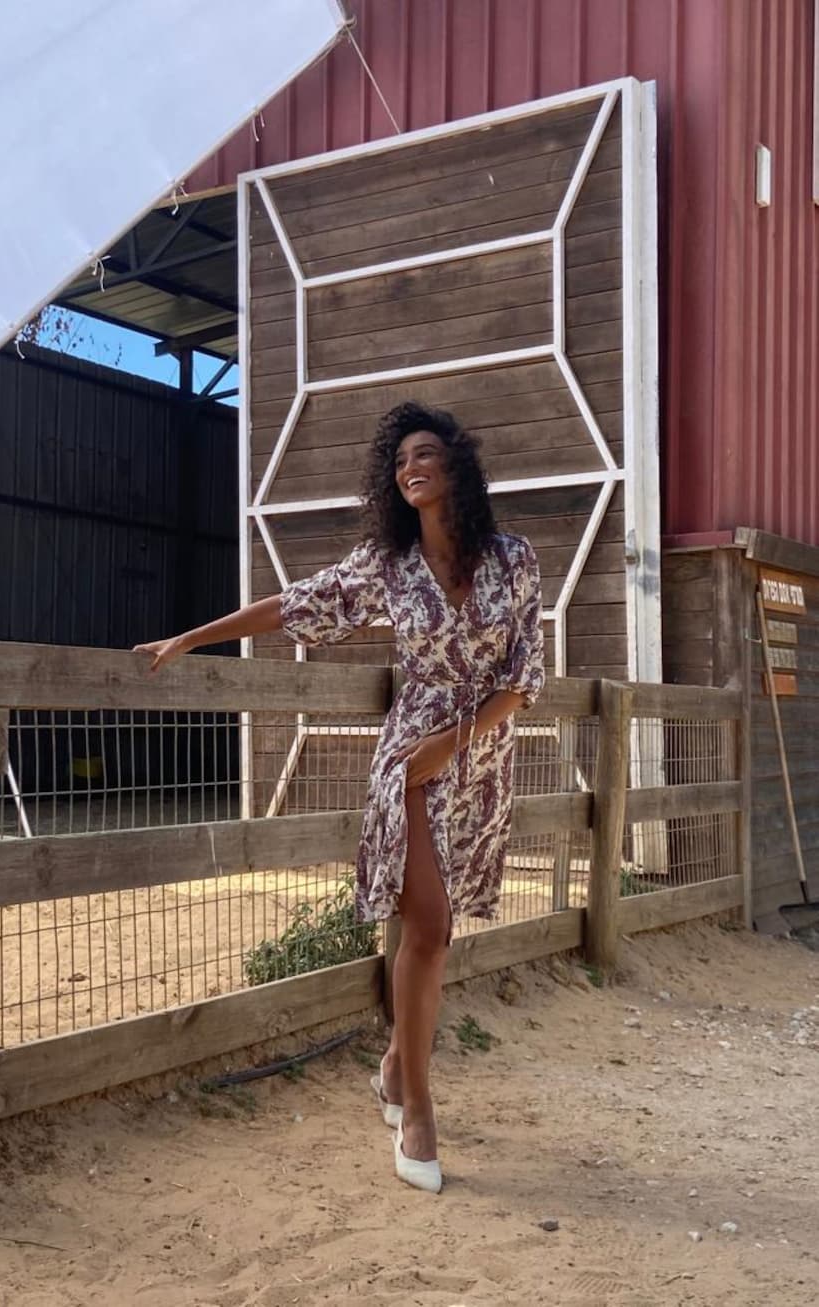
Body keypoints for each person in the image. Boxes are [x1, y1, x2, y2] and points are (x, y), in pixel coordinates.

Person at [135, 401, 545, 1194]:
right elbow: (296, 603)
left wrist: (458, 740)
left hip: (481, 757)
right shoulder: (387, 566)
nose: (409, 466)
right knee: (429, 923)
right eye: (399, 460)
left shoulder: (513, 559)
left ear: (456, 464)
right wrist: (192, 635)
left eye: (424, 453)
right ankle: (418, 1107)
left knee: (436, 925)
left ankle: (394, 1065)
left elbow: (525, 674)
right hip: (412, 758)